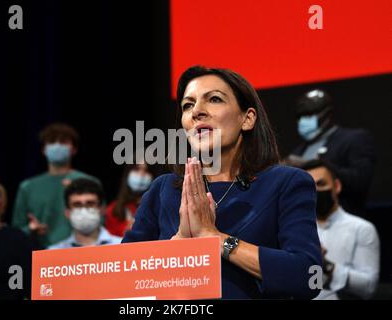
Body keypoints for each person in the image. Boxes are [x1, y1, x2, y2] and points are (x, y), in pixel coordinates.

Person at [122, 66, 322, 299]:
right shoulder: (162, 189)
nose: (197, 111)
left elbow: (309, 276)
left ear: (247, 119)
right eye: (188, 105)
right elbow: (123, 280)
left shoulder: (286, 183)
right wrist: (178, 245)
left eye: (214, 99)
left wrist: (215, 238)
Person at [286, 89, 376, 216]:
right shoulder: (298, 151)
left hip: (344, 222)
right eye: (300, 116)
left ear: (326, 115)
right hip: (308, 222)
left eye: (309, 115)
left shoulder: (354, 139)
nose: (303, 121)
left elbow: (360, 181)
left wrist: (318, 164)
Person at [12, 122, 102, 249]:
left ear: (74, 149)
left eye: (63, 142)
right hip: (41, 253)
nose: (57, 146)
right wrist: (30, 229)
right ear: (44, 149)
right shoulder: (27, 187)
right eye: (52, 142)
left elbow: (102, 221)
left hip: (83, 250)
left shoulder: (90, 183)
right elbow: (17, 230)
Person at [301, 159, 380, 300]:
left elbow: (369, 287)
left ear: (336, 186)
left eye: (321, 184)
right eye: (309, 186)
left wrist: (327, 266)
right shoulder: (296, 229)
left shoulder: (361, 229)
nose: (315, 191)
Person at [49, 178, 121, 249]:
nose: (84, 210)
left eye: (90, 203)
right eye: (77, 204)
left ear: (102, 209)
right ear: (67, 212)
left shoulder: (122, 246)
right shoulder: (53, 253)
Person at [105, 164, 154, 237]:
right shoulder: (113, 210)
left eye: (146, 170)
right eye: (137, 169)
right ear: (128, 173)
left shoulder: (157, 207)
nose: (141, 174)